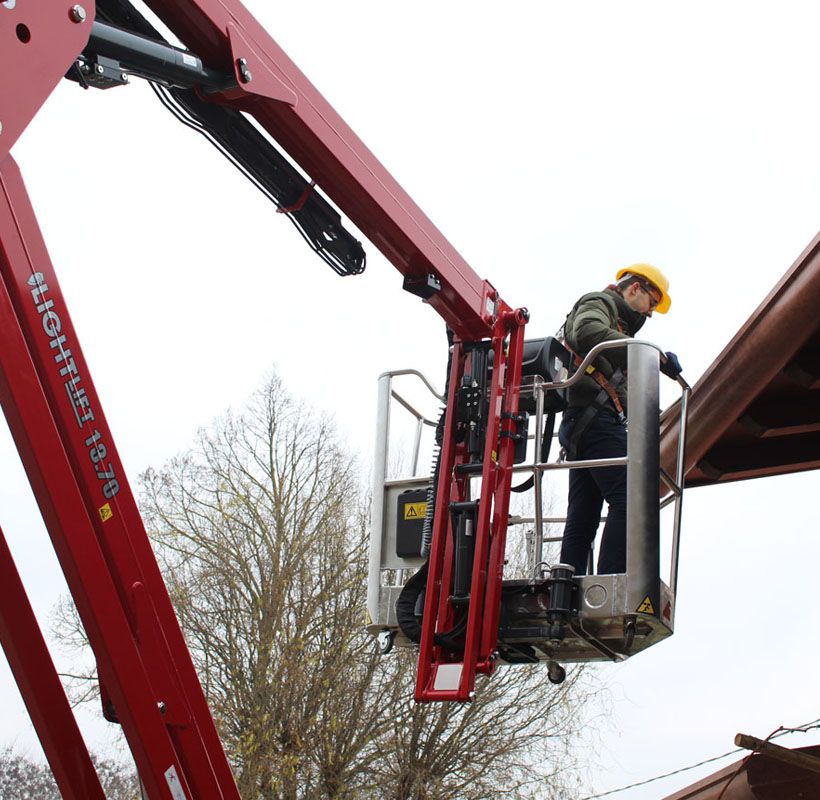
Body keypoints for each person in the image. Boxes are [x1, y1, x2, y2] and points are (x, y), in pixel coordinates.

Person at [557, 264, 681, 575]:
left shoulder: (619, 330)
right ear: (635, 288)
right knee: (632, 496)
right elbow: (586, 331)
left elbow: (620, 392)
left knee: (584, 513)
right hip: (593, 421)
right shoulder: (599, 303)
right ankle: (611, 583)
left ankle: (565, 584)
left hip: (584, 423)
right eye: (652, 302)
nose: (650, 313)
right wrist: (650, 355)